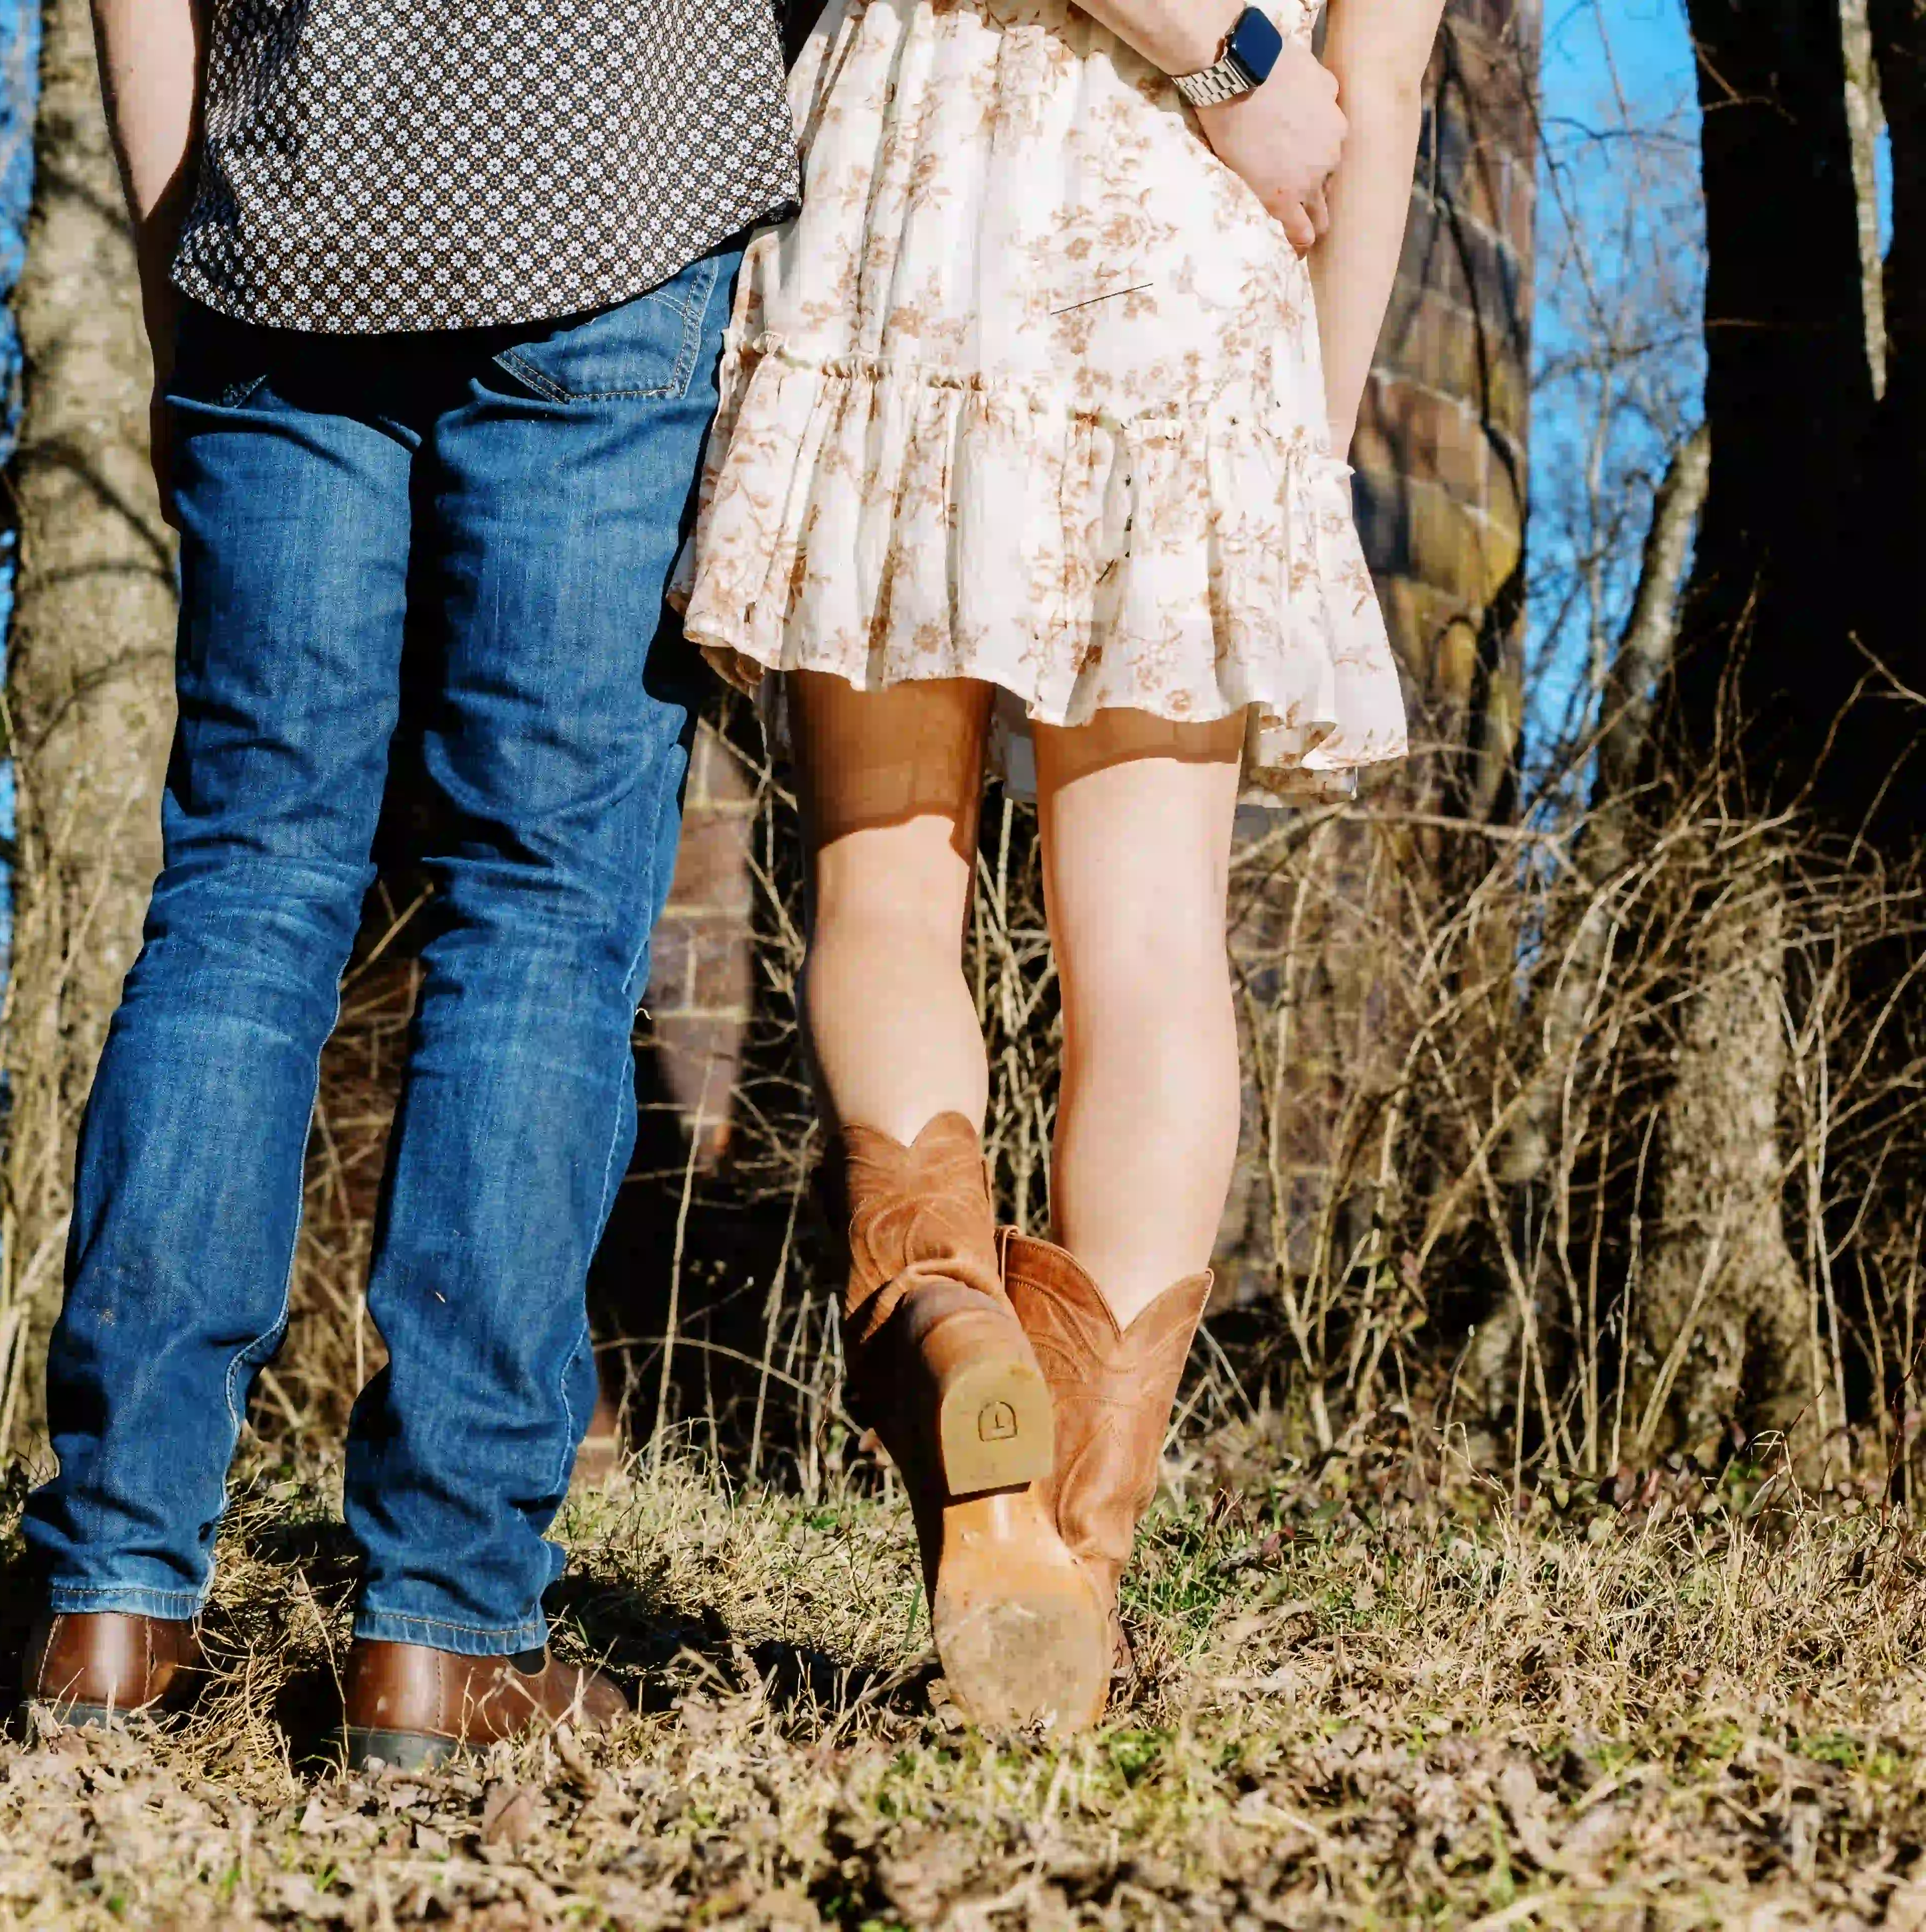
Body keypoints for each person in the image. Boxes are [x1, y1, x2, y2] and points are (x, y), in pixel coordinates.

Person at [12, 0, 810, 1766]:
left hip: (280, 239)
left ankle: (113, 1603)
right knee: (539, 907)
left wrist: (175, 280)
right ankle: (443, 1630)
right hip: (615, 203)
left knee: (243, 883)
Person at [677, 0, 1441, 1731]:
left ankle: (951, 1316)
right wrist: (1298, 464)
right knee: (1157, 945)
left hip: (917, 180)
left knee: (884, 876)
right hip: (1190, 252)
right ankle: (1068, 1564)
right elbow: (1375, 88)